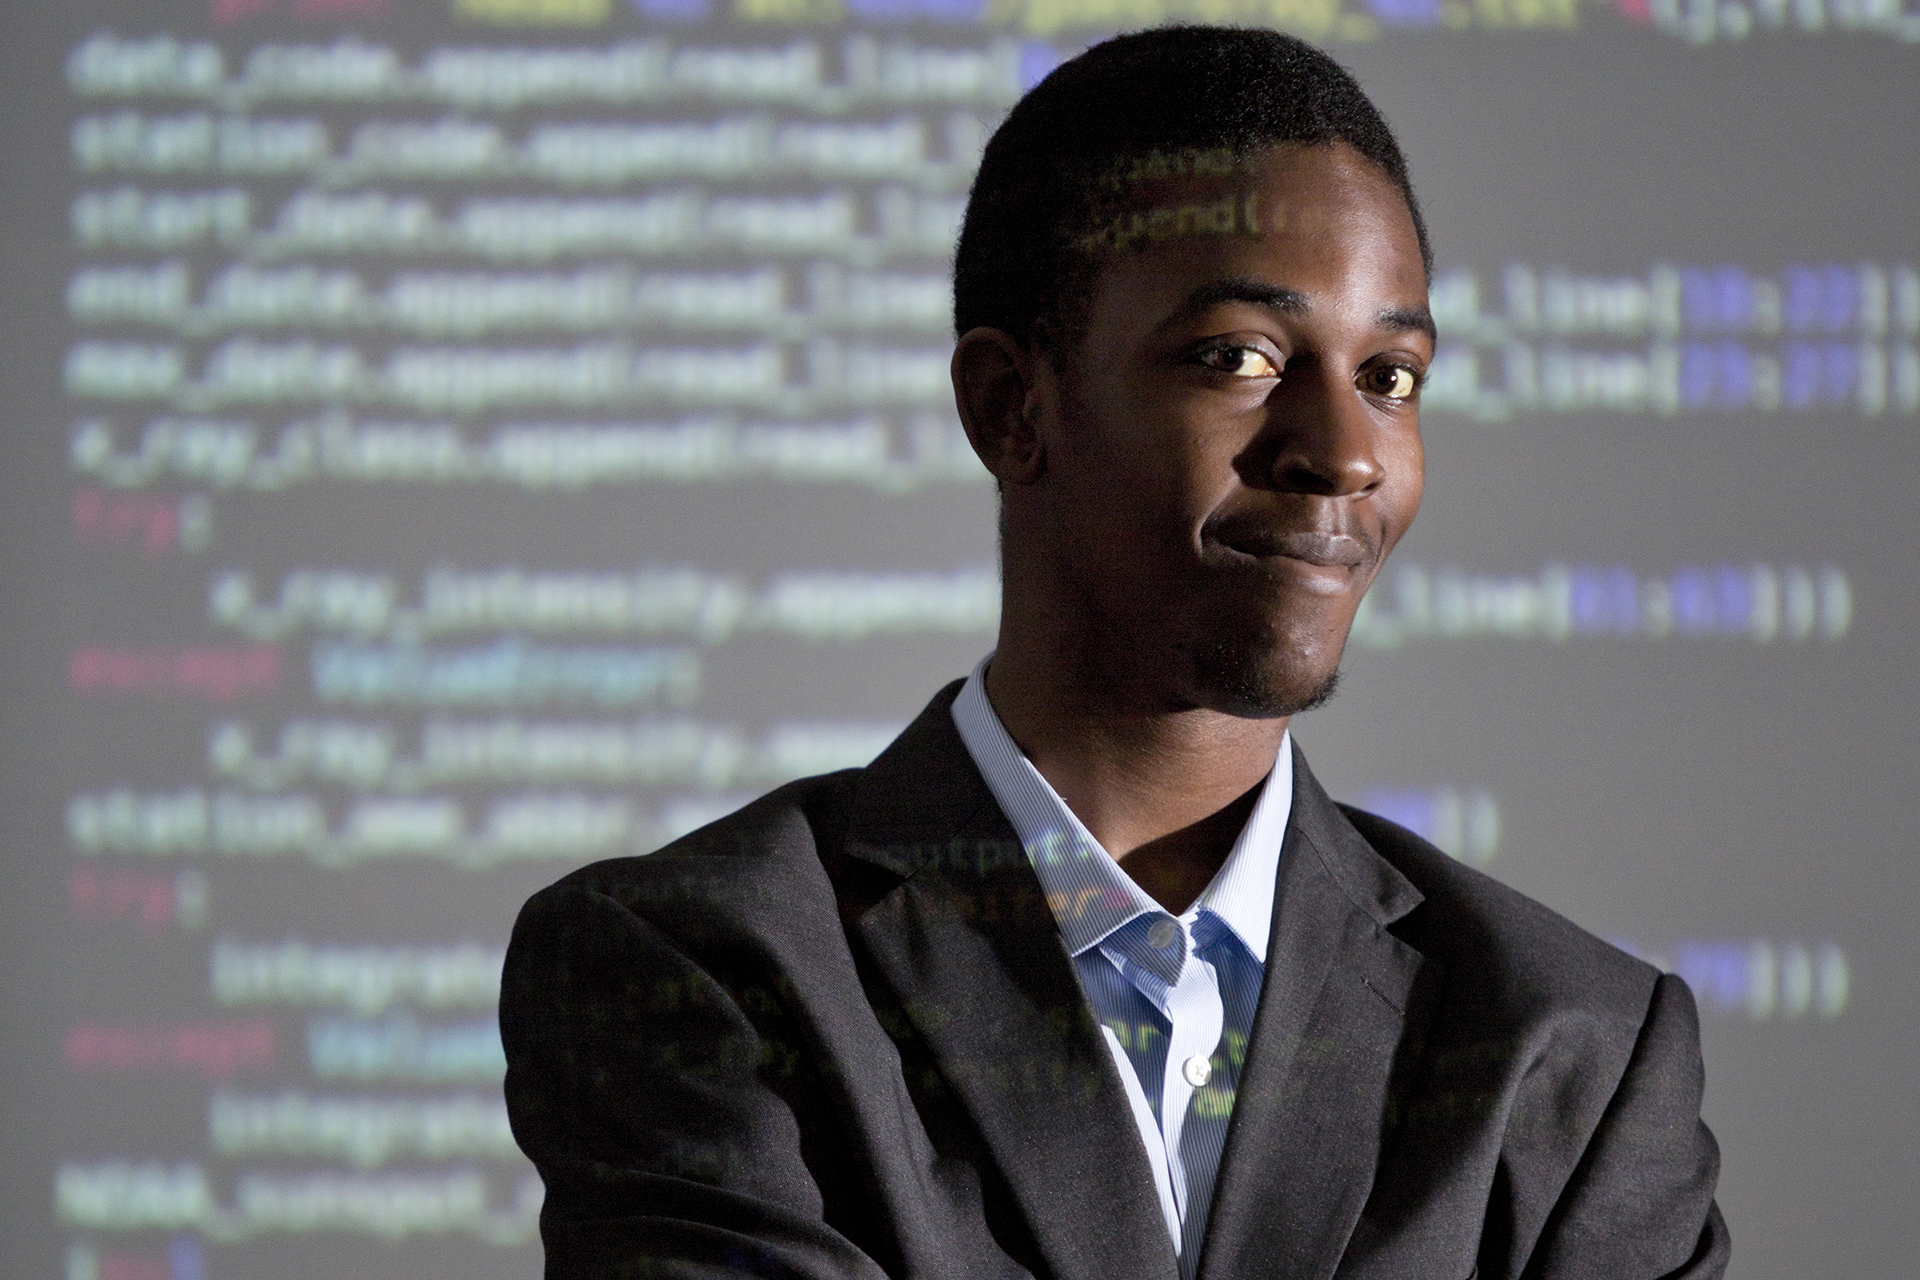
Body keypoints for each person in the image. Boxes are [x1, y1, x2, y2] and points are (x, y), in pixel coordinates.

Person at [500, 25, 1730, 1280]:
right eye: (1238, 356)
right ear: (1011, 408)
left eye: (1391, 375)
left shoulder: (1574, 1052)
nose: (1345, 450)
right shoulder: (705, 967)